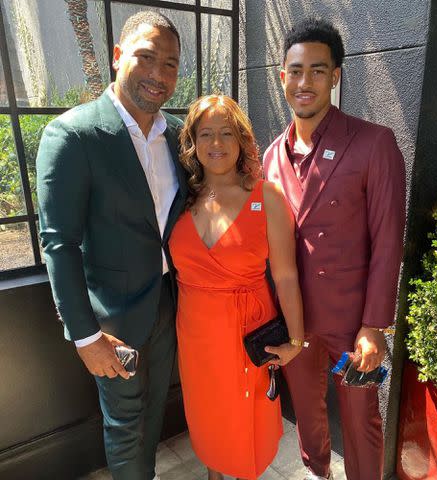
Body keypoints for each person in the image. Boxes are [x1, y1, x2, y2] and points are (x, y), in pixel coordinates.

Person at [36, 11, 187, 480]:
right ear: (118, 56)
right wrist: (85, 336)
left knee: (152, 416)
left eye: (170, 64)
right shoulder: (72, 135)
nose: (158, 74)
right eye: (146, 57)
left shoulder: (177, 136)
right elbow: (58, 245)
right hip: (113, 320)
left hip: (166, 305)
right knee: (125, 426)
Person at [263, 17, 406, 480]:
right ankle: (317, 473)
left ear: (336, 75)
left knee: (362, 423)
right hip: (296, 322)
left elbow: (388, 240)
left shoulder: (373, 143)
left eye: (318, 71)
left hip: (351, 324)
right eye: (296, 70)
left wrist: (374, 325)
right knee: (306, 415)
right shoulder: (270, 157)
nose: (305, 82)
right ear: (282, 75)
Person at [168, 94, 305, 480]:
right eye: (206, 134)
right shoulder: (181, 200)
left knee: (246, 421)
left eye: (226, 133)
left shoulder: (267, 196)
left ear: (242, 140)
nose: (216, 144)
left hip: (247, 331)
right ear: (193, 143)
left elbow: (286, 276)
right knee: (209, 416)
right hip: (195, 336)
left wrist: (296, 341)